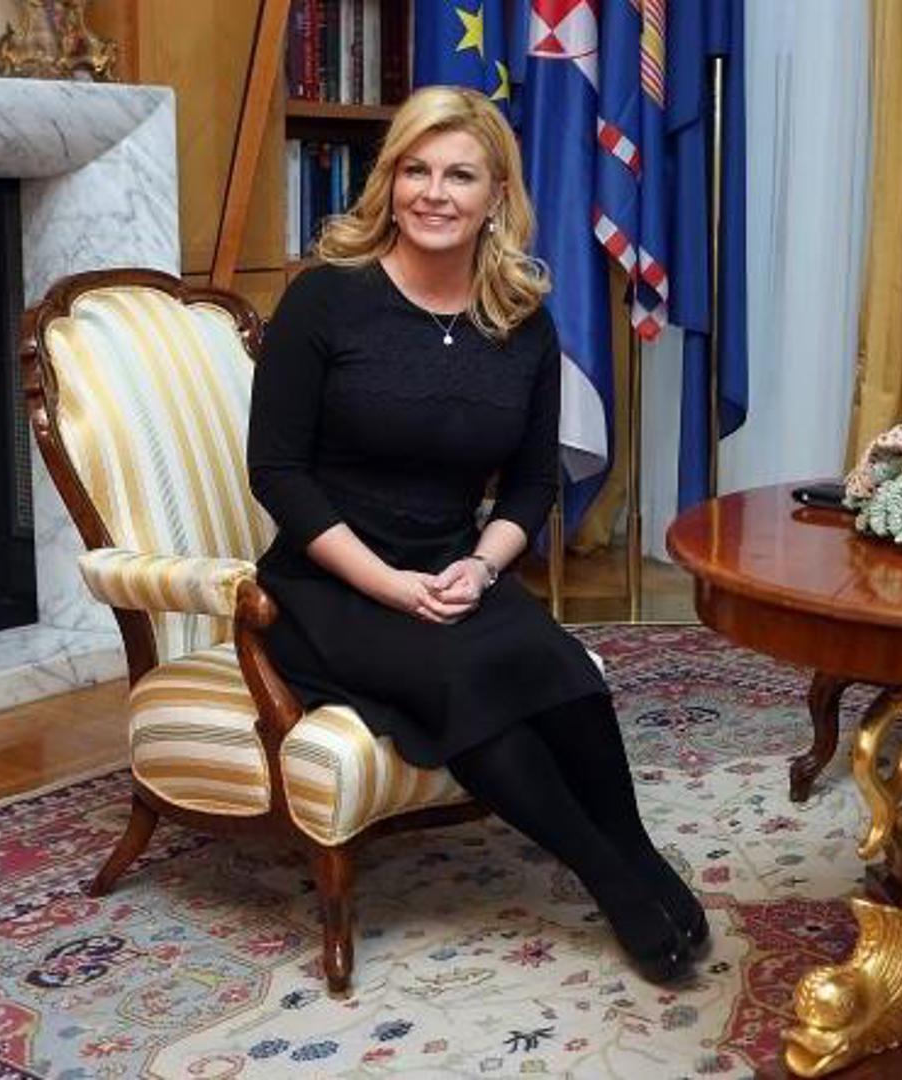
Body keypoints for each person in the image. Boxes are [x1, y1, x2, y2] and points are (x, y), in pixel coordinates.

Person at [247, 86, 707, 983]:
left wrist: (484, 566)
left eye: (459, 175)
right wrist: (386, 584)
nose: (433, 193)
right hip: (328, 583)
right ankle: (613, 881)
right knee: (468, 685)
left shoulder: (521, 319)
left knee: (560, 670)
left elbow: (533, 483)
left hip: (453, 566)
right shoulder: (325, 301)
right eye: (414, 169)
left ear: (497, 194)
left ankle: (640, 855)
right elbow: (278, 475)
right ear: (389, 182)